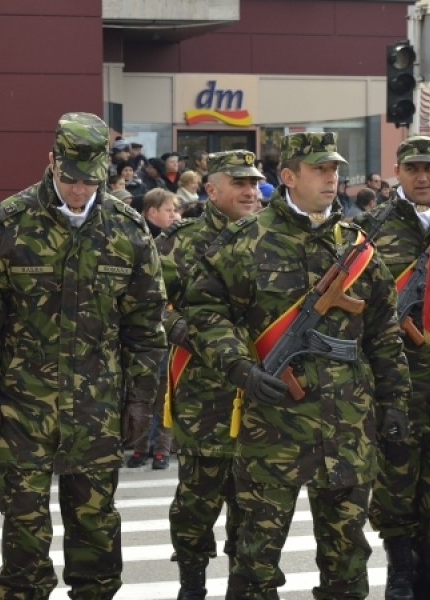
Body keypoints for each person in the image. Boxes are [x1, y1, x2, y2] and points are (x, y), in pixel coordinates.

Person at [180, 131, 411, 600]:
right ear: (288, 176)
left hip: (346, 427)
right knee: (255, 561)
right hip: (274, 427)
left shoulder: (357, 246)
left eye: (335, 170)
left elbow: (384, 330)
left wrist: (394, 403)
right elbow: (204, 313)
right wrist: (240, 368)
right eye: (319, 170)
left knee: (347, 562)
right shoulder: (246, 241)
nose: (332, 178)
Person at [0, 112, 168, 600]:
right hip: (20, 409)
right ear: (51, 162)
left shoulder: (127, 229)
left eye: (89, 180)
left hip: (97, 410)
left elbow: (145, 326)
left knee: (95, 533)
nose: (78, 189)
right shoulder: (7, 225)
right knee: (24, 537)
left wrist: (141, 399)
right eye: (69, 177)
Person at [354, 136, 430, 600]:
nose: (423, 177)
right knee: (395, 478)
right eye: (413, 168)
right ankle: (401, 570)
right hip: (395, 378)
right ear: (397, 172)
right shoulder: (369, 228)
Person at [156, 150, 264, 600]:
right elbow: (149, 300)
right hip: (204, 394)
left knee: (254, 504)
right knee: (196, 504)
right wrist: (178, 327)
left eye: (254, 183)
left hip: (260, 390)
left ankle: (244, 584)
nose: (250, 191)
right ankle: (192, 584)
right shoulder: (182, 240)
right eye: (238, 183)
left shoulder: (269, 238)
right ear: (212, 190)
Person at [126, 188, 180, 470]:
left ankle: (162, 450)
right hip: (146, 332)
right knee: (143, 394)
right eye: (169, 210)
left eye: (175, 210)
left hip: (168, 331)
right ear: (152, 213)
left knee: (164, 396)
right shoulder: (140, 240)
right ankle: (140, 447)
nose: (175, 215)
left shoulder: (178, 242)